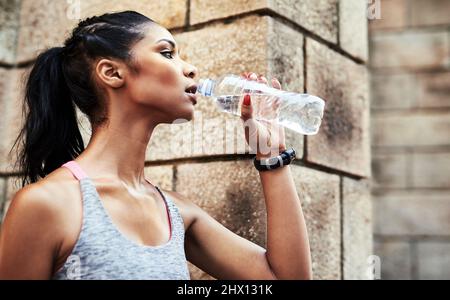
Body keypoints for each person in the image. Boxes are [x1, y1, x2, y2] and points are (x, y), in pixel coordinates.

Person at [0, 11, 312, 280]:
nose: (190, 69)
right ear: (112, 72)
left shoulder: (176, 212)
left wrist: (271, 155)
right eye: (167, 53)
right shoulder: (46, 205)